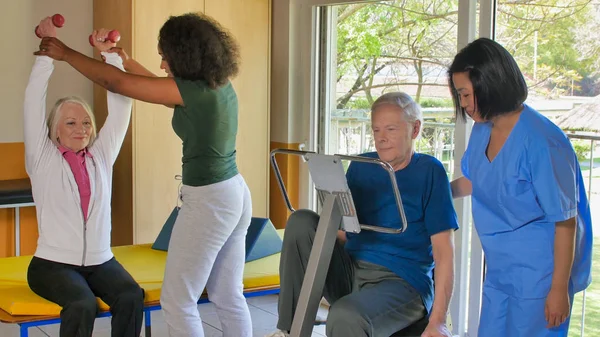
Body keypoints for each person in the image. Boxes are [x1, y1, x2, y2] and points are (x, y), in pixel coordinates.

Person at [35, 13, 252, 337]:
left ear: (186, 55)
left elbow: (117, 84)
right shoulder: (214, 85)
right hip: (233, 193)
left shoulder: (195, 92)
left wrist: (65, 54)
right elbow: (157, 88)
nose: (163, 64)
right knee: (227, 294)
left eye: (166, 57)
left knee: (178, 301)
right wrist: (122, 58)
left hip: (209, 202)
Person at [266, 92, 458, 337]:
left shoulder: (431, 171)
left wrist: (438, 321)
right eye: (376, 130)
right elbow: (345, 233)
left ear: (415, 129)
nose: (382, 138)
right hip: (351, 268)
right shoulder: (361, 165)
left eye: (391, 129)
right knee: (301, 220)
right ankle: (287, 330)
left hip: (401, 280)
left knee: (345, 315)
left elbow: (444, 252)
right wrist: (324, 225)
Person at [448, 37, 593, 337]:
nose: (462, 104)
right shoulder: (482, 129)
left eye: (465, 94)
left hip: (540, 275)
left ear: (489, 84)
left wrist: (558, 290)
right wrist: (436, 192)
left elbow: (565, 221)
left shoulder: (542, 141)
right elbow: (480, 178)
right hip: (501, 270)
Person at [25, 17, 143, 337]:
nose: (82, 130)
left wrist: (112, 57)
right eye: (71, 124)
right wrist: (48, 55)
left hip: (100, 260)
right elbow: (32, 103)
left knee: (132, 296)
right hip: (52, 265)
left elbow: (120, 109)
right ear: (55, 130)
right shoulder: (43, 156)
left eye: (86, 123)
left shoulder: (101, 157)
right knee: (82, 304)